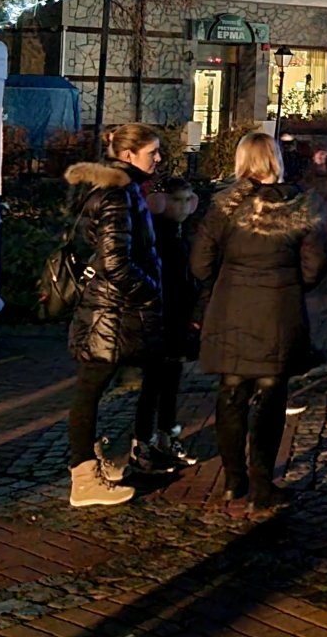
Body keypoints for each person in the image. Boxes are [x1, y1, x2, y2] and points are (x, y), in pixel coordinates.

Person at [191, 132, 327, 510]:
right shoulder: (300, 205)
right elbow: (315, 266)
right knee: (271, 395)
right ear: (275, 160)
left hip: (231, 305)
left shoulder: (224, 206)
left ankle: (234, 479)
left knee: (232, 391)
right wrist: (289, 282)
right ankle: (262, 483)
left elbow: (200, 263)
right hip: (278, 308)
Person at [62, 123, 165, 508]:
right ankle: (84, 476)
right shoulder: (118, 195)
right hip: (112, 311)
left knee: (96, 384)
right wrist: (150, 290)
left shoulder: (117, 191)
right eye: (151, 152)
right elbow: (115, 262)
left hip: (110, 309)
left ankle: (90, 466)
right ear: (127, 156)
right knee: (91, 386)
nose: (158, 159)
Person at [131, 175, 201, 472]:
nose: (182, 207)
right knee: (154, 382)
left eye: (187, 200)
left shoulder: (180, 232)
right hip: (162, 317)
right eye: (176, 200)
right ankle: (143, 440)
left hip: (178, 318)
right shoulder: (158, 234)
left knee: (170, 380)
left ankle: (164, 435)